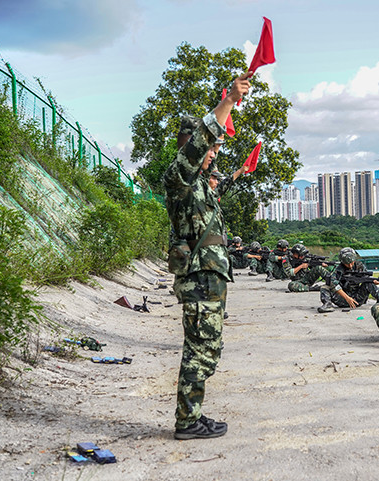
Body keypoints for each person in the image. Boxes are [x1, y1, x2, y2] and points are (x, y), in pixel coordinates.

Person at [163, 71, 250, 440]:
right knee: (198, 350)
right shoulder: (179, 178)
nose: (211, 152)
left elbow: (218, 177)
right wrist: (228, 99)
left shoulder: (201, 184)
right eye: (206, 148)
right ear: (189, 146)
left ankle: (193, 414)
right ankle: (186, 422)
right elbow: (201, 141)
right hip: (199, 280)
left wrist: (239, 170)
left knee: (209, 348)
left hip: (210, 278)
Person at [317, 247, 376, 313]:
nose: (350, 266)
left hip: (357, 298)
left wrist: (373, 281)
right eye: (347, 264)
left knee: (370, 282)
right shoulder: (339, 269)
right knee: (325, 287)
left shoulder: (360, 266)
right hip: (342, 300)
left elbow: (367, 278)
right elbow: (333, 283)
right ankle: (327, 305)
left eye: (351, 262)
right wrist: (347, 298)